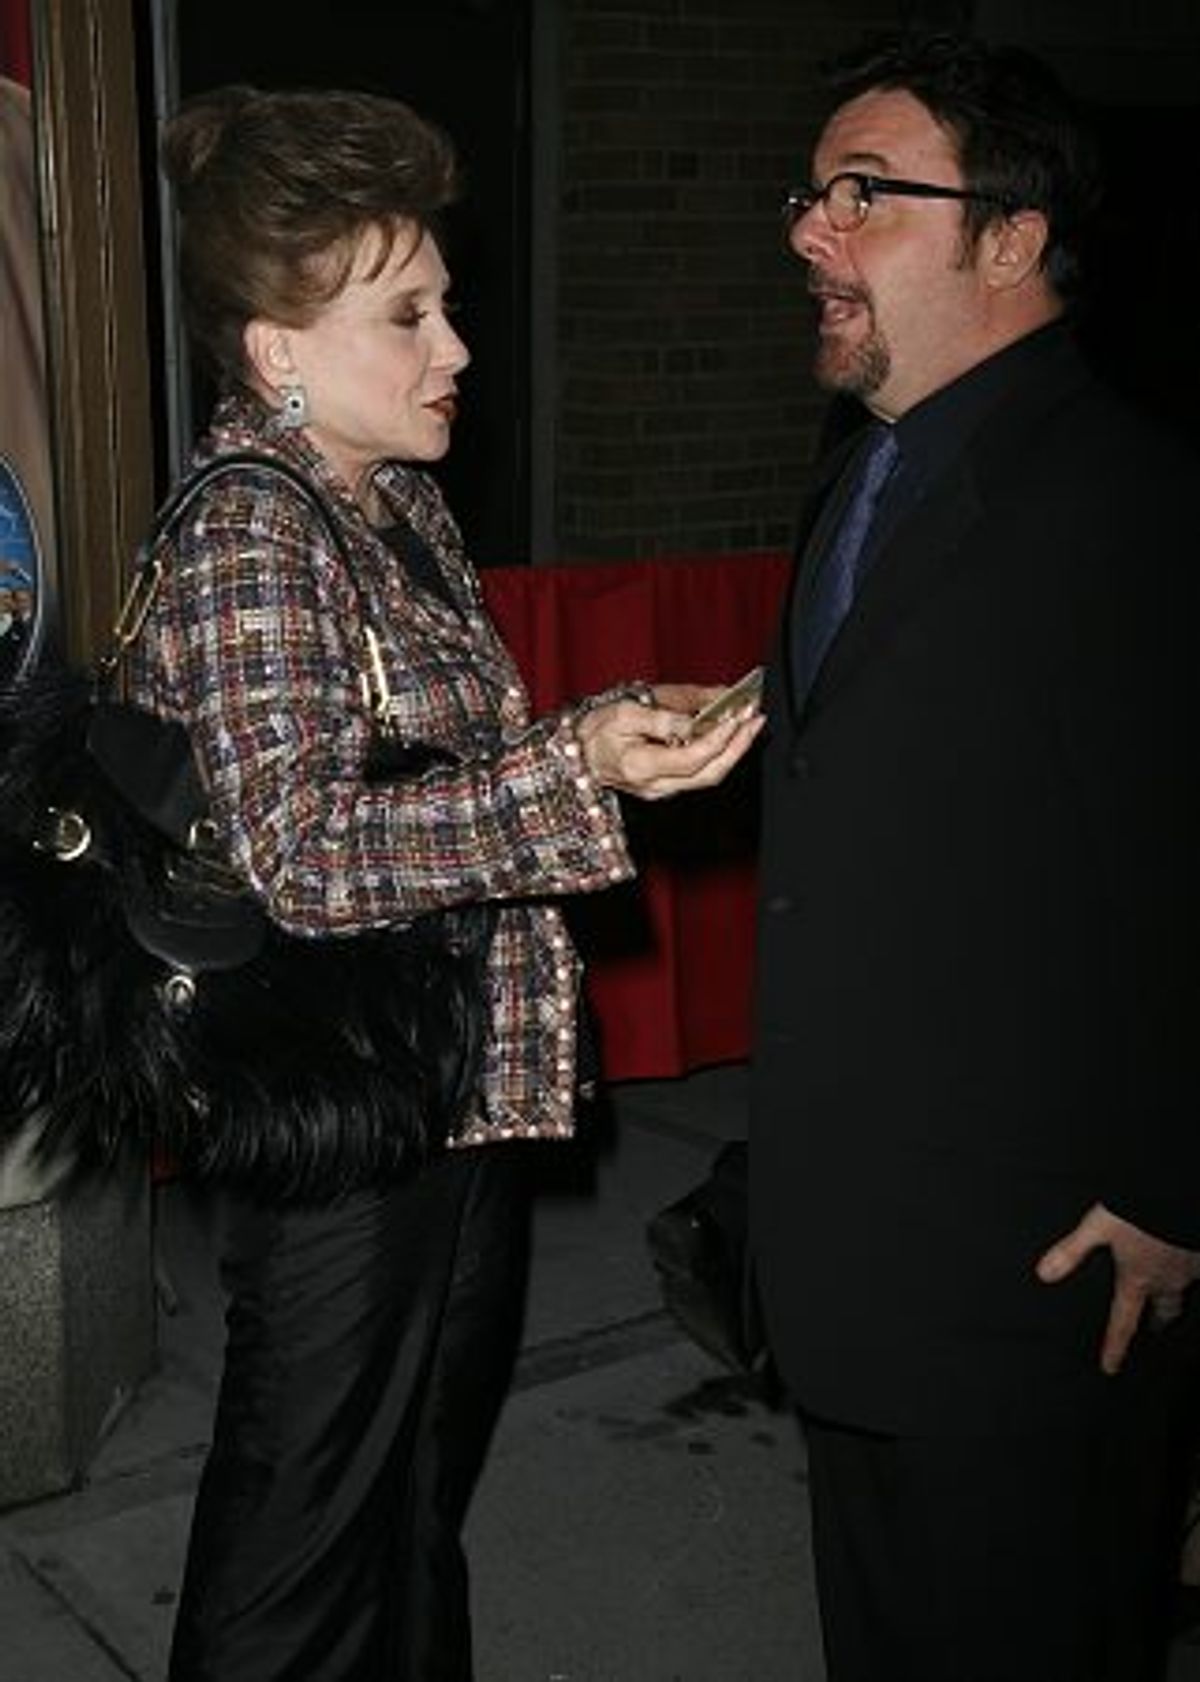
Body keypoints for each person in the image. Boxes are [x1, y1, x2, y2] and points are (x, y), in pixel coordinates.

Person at [146, 84, 762, 1682]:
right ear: (277, 350)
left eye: (446, 302)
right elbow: (300, 847)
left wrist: (600, 729)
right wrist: (575, 776)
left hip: (447, 1086)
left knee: (415, 1497)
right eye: (407, 315)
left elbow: (430, 764)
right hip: (340, 1109)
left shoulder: (396, 501)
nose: (457, 348)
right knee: (297, 1552)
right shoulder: (252, 530)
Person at [749, 31, 1200, 1682]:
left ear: (1010, 239)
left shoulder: (1136, 502)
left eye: (864, 193)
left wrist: (1172, 1186)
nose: (811, 229)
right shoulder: (863, 468)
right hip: (858, 1257)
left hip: (1036, 1275)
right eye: (811, 193)